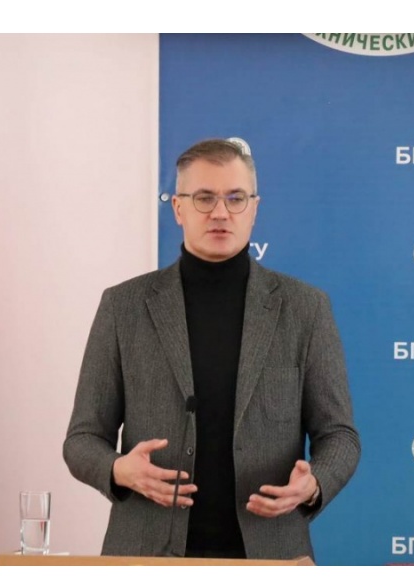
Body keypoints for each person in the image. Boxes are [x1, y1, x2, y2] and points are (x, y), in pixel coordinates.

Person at [63, 138, 360, 560]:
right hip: (147, 556)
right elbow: (82, 439)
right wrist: (118, 469)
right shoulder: (123, 306)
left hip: (270, 554)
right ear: (178, 208)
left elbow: (340, 436)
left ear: (254, 209)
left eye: (235, 198)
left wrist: (313, 484)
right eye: (204, 198)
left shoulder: (305, 308)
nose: (220, 212)